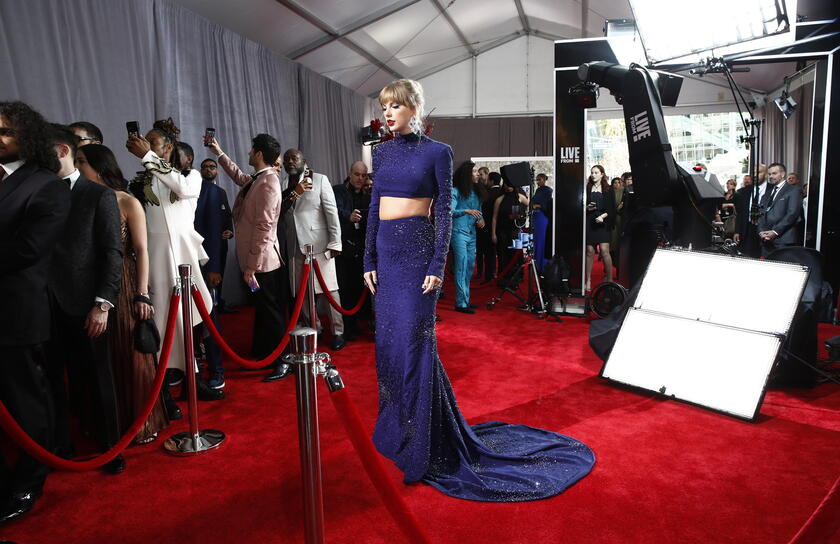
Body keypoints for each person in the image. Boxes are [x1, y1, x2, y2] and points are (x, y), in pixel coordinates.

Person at [363, 79, 594, 502]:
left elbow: (446, 216)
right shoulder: (381, 153)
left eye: (396, 105)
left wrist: (437, 265)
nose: (389, 112)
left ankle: (422, 449)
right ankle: (401, 429)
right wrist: (368, 261)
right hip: (386, 257)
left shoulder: (438, 152)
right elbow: (376, 207)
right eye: (385, 106)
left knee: (415, 348)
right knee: (390, 348)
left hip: (417, 256)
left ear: (414, 108)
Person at [0, 101, 69, 525]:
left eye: (5, 131)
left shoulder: (46, 185)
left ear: (28, 137)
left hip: (15, 312)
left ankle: (28, 479)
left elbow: (29, 250)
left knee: (23, 399)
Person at [75, 143, 169, 443]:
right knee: (98, 358)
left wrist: (141, 294)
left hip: (125, 284)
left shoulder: (126, 201)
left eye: (81, 162)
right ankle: (106, 423)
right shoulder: (78, 199)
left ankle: (140, 423)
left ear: (99, 167)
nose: (76, 167)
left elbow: (141, 251)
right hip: (90, 286)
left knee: (130, 352)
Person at [46, 125, 125, 474]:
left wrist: (102, 303)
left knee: (97, 376)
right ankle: (60, 447)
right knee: (51, 381)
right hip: (43, 305)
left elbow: (112, 253)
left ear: (61, 150)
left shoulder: (98, 195)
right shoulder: (37, 193)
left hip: (87, 304)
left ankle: (111, 447)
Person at [125, 118, 222, 401]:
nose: (146, 145)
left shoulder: (190, 176)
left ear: (167, 147)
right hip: (154, 257)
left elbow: (182, 188)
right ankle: (163, 390)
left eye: (152, 142)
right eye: (146, 142)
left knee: (189, 321)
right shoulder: (141, 180)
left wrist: (147, 156)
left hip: (183, 257)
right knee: (161, 321)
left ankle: (194, 378)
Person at [211, 134, 297, 383]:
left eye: (251, 150)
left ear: (259, 154)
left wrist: (251, 266)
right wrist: (219, 152)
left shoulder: (269, 182)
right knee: (261, 310)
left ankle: (284, 361)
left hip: (263, 263)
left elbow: (265, 229)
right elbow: (239, 177)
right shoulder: (259, 179)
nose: (247, 153)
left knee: (271, 313)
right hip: (255, 261)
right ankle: (263, 355)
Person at [281, 148, 345, 351]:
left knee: (330, 290)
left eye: (295, 158)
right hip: (294, 246)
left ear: (304, 161)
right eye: (287, 159)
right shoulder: (283, 183)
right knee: (303, 291)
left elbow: (331, 211)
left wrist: (335, 242)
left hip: (319, 244)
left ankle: (338, 331)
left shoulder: (319, 179)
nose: (290, 161)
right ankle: (314, 328)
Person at [194, 157, 234, 389]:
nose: (208, 170)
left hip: (210, 262)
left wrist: (215, 267)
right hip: (182, 264)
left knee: (210, 315)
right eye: (205, 166)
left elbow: (223, 221)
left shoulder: (216, 192)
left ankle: (216, 367)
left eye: (212, 166)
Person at [333, 160, 372, 339]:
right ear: (350, 173)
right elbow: (334, 212)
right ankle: (346, 327)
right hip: (342, 249)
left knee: (357, 288)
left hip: (361, 249)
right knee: (344, 288)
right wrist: (348, 217)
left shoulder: (367, 195)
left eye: (363, 175)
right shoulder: (338, 191)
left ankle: (356, 323)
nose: (360, 178)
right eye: (357, 174)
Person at [450, 161, 485, 313]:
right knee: (461, 267)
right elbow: (449, 211)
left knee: (469, 267)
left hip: (471, 234)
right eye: (475, 172)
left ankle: (465, 299)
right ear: (467, 175)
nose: (478, 174)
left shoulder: (476, 192)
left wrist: (480, 218)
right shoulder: (455, 191)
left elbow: (478, 211)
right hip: (458, 233)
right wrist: (466, 211)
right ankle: (461, 303)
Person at [757, 162, 803, 257]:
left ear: (782, 174)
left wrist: (775, 232)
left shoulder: (793, 190)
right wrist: (761, 232)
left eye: (774, 173)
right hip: (766, 241)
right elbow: (761, 215)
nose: (770, 176)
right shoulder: (766, 194)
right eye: (769, 174)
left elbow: (792, 214)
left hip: (784, 240)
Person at [492, 175, 529, 285]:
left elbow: (530, 207)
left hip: (515, 231)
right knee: (503, 256)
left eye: (510, 185)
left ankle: (517, 278)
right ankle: (503, 279)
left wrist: (523, 216)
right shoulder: (499, 199)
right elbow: (494, 218)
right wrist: (493, 233)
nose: (508, 187)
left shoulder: (520, 197)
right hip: (502, 231)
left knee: (516, 256)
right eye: (506, 185)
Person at [584, 165, 614, 290]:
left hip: (604, 221)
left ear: (602, 174)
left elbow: (612, 208)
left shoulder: (608, 188)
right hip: (590, 221)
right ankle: (588, 280)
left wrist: (602, 216)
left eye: (596, 172)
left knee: (604, 250)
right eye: (592, 172)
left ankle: (610, 280)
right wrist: (587, 208)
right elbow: (583, 205)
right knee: (590, 251)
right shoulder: (587, 188)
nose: (593, 175)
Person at [734, 164, 768, 258]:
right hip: (748, 228)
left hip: (765, 229)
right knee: (747, 257)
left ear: (766, 174)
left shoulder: (772, 189)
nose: (755, 175)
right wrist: (737, 231)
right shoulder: (744, 191)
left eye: (759, 172)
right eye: (754, 173)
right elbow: (740, 213)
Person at [532, 173, 553, 272]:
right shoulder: (538, 190)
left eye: (539, 179)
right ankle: (538, 265)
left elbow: (547, 205)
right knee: (537, 241)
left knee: (542, 241)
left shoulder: (548, 190)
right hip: (536, 217)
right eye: (537, 180)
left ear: (545, 179)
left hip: (542, 217)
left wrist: (538, 206)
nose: (538, 182)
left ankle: (543, 266)